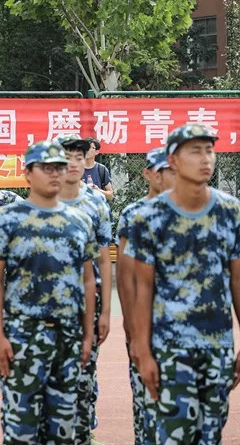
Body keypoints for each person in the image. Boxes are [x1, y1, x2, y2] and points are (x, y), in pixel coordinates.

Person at [124, 124, 240, 443]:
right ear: (173, 161)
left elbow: (237, 282)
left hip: (217, 346)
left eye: (209, 150)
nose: (206, 159)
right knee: (173, 436)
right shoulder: (149, 217)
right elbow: (142, 289)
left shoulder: (230, 211)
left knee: (210, 435)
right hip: (169, 349)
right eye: (195, 151)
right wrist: (143, 350)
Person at [0, 140, 97, 443]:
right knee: (21, 429)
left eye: (59, 167)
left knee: (64, 429)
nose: (55, 173)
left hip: (67, 337)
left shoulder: (80, 220)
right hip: (22, 336)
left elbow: (87, 280)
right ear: (28, 173)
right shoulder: (7, 220)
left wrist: (86, 336)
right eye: (46, 168)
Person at [56, 134, 114, 443]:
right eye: (67, 157)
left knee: (84, 369)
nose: (74, 163)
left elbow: (104, 259)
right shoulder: (43, 199)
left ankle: (83, 430)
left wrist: (105, 311)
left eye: (79, 157)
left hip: (87, 301)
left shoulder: (95, 202)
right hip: (49, 304)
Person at [115, 147, 174, 445]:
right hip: (145, 322)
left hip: (182, 325)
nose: (166, 177)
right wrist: (131, 328)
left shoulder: (191, 212)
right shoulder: (134, 214)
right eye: (160, 170)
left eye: (172, 170)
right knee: (145, 400)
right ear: (148, 173)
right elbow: (125, 276)